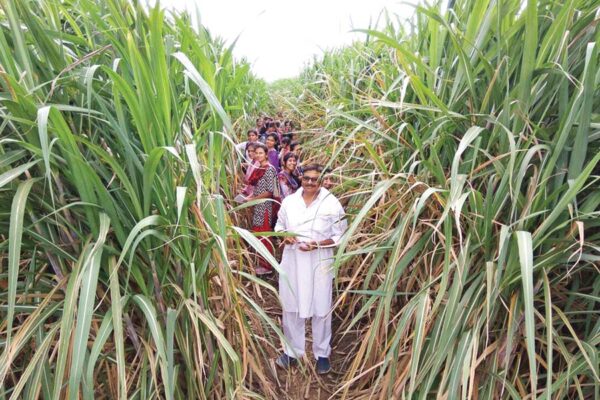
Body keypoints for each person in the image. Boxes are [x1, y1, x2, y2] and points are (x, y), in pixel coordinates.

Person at [274, 164, 347, 374]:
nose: (310, 183)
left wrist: (316, 245)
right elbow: (279, 226)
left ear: (322, 181)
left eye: (315, 179)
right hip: (293, 261)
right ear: (301, 178)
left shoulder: (332, 204)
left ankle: (322, 354)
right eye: (306, 178)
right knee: (291, 307)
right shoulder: (289, 202)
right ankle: (292, 351)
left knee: (321, 308)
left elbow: (340, 235)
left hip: (319, 263)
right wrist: (285, 235)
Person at [245, 143, 278, 275]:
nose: (258, 155)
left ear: (266, 154)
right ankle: (262, 263)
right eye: (256, 153)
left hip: (265, 207)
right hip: (259, 206)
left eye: (261, 153)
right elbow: (258, 188)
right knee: (258, 234)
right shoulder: (260, 168)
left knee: (264, 235)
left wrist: (253, 199)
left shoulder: (269, 169)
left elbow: (270, 191)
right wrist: (249, 198)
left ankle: (267, 266)